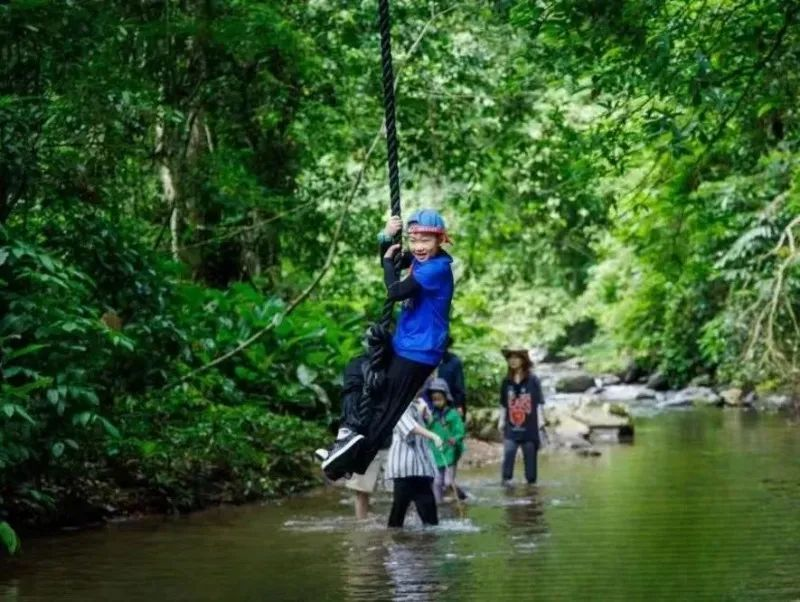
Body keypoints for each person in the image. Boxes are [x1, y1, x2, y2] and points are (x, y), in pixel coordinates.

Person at [321, 210, 454, 480]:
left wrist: (386, 260)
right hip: (404, 344)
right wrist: (386, 236)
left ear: (439, 241)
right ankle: (346, 432)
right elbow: (393, 257)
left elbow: (395, 290)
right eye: (414, 240)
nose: (418, 247)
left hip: (420, 352)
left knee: (385, 407)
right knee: (357, 367)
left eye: (425, 241)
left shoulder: (437, 268)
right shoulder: (420, 258)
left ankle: (346, 465)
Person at [385, 400, 443, 528]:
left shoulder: (418, 403)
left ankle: (429, 542)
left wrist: (426, 414)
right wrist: (432, 436)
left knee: (430, 513)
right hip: (404, 467)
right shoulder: (398, 403)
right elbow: (410, 428)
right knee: (399, 511)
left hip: (420, 466)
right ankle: (394, 540)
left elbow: (429, 422)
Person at [498, 346, 546, 485]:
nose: (512, 361)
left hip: (530, 428)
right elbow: (503, 404)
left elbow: (539, 403)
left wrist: (541, 422)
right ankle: (507, 494)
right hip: (511, 427)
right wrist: (501, 421)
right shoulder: (506, 381)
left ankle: (531, 498)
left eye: (516, 358)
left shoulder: (533, 380)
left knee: (531, 475)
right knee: (508, 462)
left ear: (523, 360)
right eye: (510, 358)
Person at [423, 378, 465, 503]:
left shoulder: (452, 414)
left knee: (447, 482)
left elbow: (460, 431)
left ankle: (460, 494)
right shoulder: (432, 416)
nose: (437, 402)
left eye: (439, 399)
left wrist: (455, 439)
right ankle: (438, 504)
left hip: (450, 452)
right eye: (434, 399)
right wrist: (427, 420)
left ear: (446, 398)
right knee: (436, 482)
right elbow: (426, 430)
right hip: (436, 452)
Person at [437, 337, 467, 418]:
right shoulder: (427, 360)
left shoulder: (454, 362)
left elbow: (459, 386)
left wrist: (459, 405)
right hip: (430, 406)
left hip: (449, 406)